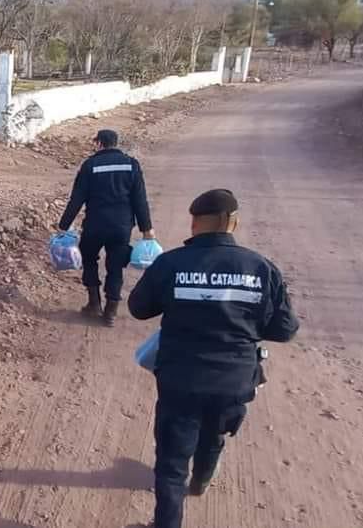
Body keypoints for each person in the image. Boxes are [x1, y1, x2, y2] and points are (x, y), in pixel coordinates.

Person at [128, 188, 300, 528]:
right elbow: (284, 330)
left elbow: (138, 308)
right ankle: (202, 479)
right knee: (214, 435)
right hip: (234, 381)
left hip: (180, 380)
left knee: (171, 465)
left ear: (194, 223)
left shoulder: (170, 263)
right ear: (232, 222)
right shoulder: (261, 268)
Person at [58, 129, 154, 326]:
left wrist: (64, 225)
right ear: (116, 143)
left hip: (95, 224)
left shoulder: (90, 165)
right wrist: (147, 228)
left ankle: (94, 304)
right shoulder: (131, 164)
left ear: (99, 143)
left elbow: (77, 198)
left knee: (88, 259)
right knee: (115, 266)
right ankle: (111, 311)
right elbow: (139, 199)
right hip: (121, 226)